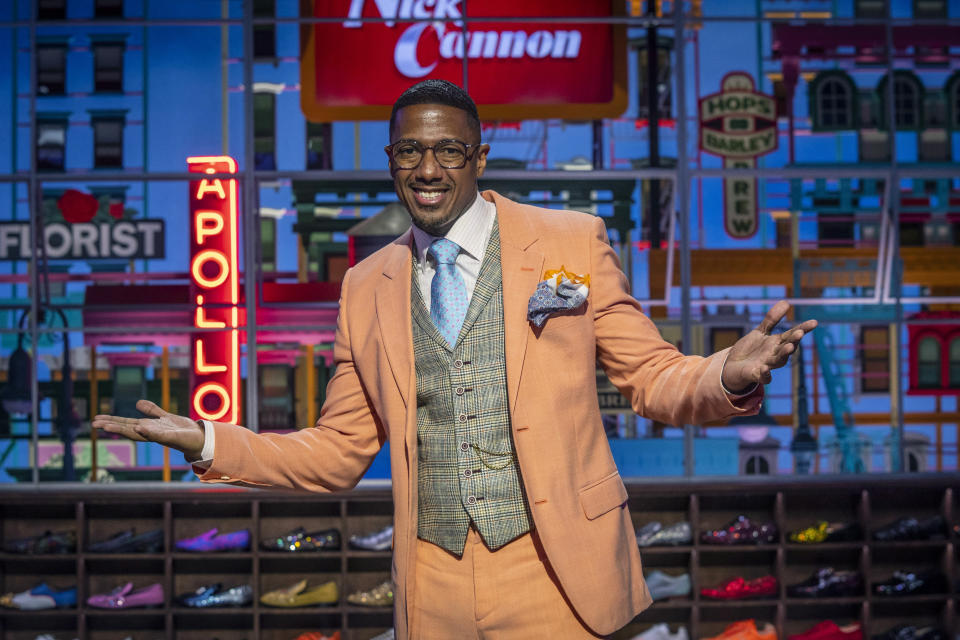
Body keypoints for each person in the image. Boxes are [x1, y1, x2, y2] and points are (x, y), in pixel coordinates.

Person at [94, 79, 816, 639]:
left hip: (554, 568)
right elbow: (341, 451)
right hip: (431, 580)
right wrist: (209, 440)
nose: (428, 167)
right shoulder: (365, 285)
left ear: (477, 157)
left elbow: (652, 377)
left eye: (447, 150)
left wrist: (724, 373)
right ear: (391, 162)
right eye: (410, 150)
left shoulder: (569, 241)